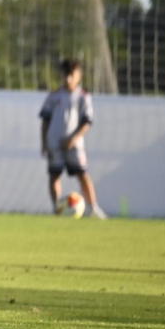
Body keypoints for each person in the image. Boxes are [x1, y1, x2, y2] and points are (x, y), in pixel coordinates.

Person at [40, 57, 108, 219]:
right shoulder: (54, 96)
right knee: (54, 175)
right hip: (54, 143)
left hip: (74, 145)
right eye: (65, 74)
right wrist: (44, 142)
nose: (68, 78)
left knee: (82, 174)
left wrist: (73, 139)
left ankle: (93, 208)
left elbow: (87, 122)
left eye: (72, 74)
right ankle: (57, 208)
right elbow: (45, 120)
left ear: (78, 75)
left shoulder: (83, 97)